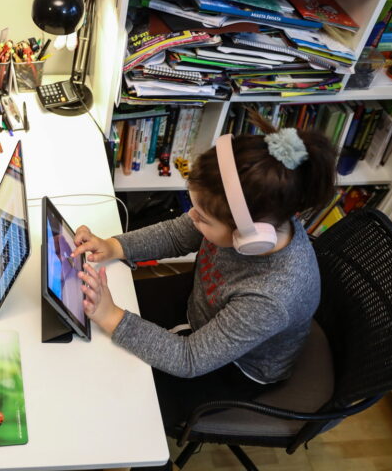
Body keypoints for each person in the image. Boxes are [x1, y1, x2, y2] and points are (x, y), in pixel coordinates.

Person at [71, 112, 337, 437]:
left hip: (232, 367)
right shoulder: (254, 216)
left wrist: (111, 315)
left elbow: (190, 359)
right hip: (201, 306)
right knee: (87, 339)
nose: (191, 217)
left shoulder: (271, 295)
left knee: (122, 409)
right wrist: (113, 246)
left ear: (250, 237)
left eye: (203, 218)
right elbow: (178, 234)